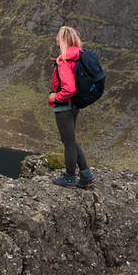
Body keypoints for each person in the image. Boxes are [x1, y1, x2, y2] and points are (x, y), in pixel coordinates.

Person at [47, 25, 96, 188]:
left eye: (58, 38)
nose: (56, 40)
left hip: (65, 106)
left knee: (68, 141)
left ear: (63, 40)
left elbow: (69, 88)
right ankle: (86, 174)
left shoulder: (64, 61)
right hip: (75, 105)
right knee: (71, 140)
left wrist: (55, 97)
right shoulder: (78, 57)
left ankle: (69, 177)